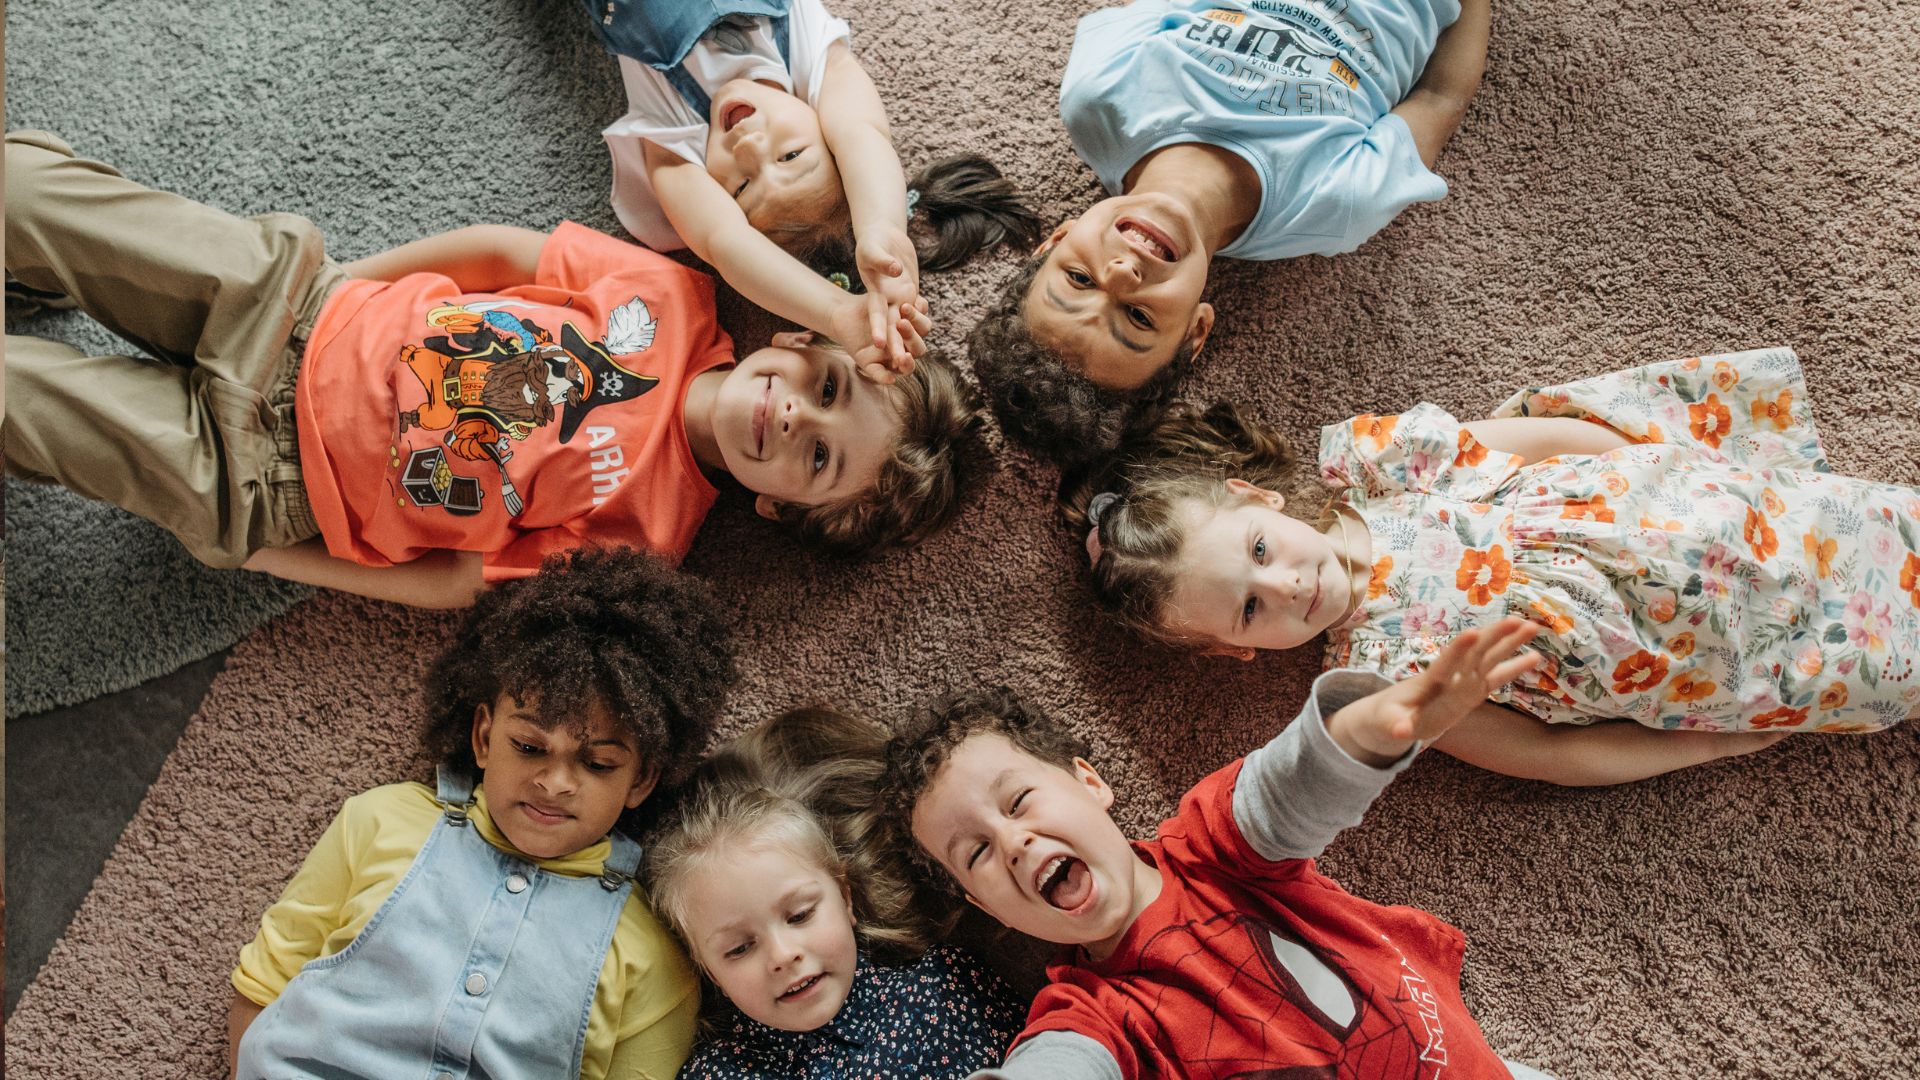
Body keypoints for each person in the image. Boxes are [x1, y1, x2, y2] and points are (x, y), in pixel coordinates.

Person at [3, 131, 979, 610]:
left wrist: (255, 550)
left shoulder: (647, 542)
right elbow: (505, 256)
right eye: (827, 392)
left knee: (22, 403)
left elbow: (458, 582)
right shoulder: (672, 302)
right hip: (289, 310)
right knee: (30, 191)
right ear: (802, 342)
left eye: (815, 461)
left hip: (266, 484)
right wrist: (343, 283)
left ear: (780, 509)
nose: (792, 420)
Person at [1063, 347, 1920, 784]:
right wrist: (1714, 743)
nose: (1287, 585)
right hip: (1713, 663)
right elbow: (1553, 754)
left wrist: (1675, 470)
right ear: (1233, 652)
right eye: (1250, 610)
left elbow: (1550, 447)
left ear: (1261, 500)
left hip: (1712, 518)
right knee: (1886, 662)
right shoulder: (1384, 683)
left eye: (1258, 552)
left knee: (1882, 531)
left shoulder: (1390, 468)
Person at [887, 621, 1558, 1079]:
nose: (1012, 841)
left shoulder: (1211, 843)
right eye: (975, 853)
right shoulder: (1089, 1015)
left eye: (1018, 801)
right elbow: (1061, 1063)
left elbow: (1288, 789)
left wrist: (1366, 732)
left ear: (1090, 783)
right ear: (986, 905)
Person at [227, 546, 737, 1080]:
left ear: (642, 780)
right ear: (485, 736)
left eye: (598, 763)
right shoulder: (380, 821)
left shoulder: (651, 954)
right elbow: (263, 988)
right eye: (530, 747)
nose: (555, 783)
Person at [967, 0, 1490, 466]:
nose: (1123, 273)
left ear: (1056, 239)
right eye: (1139, 316)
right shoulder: (1335, 206)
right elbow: (1441, 96)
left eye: (1079, 279)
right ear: (1195, 332)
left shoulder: (1100, 94)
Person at [581, 0, 1042, 375]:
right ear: (824, 126)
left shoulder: (676, 126)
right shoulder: (803, 54)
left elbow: (725, 243)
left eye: (741, 187)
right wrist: (882, 231)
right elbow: (862, 132)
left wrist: (836, 314)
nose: (749, 148)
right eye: (790, 156)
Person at [647, 706, 1026, 1078]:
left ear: (846, 897)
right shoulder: (720, 1072)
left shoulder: (947, 986)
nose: (783, 956)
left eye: (800, 916)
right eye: (739, 948)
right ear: (710, 973)